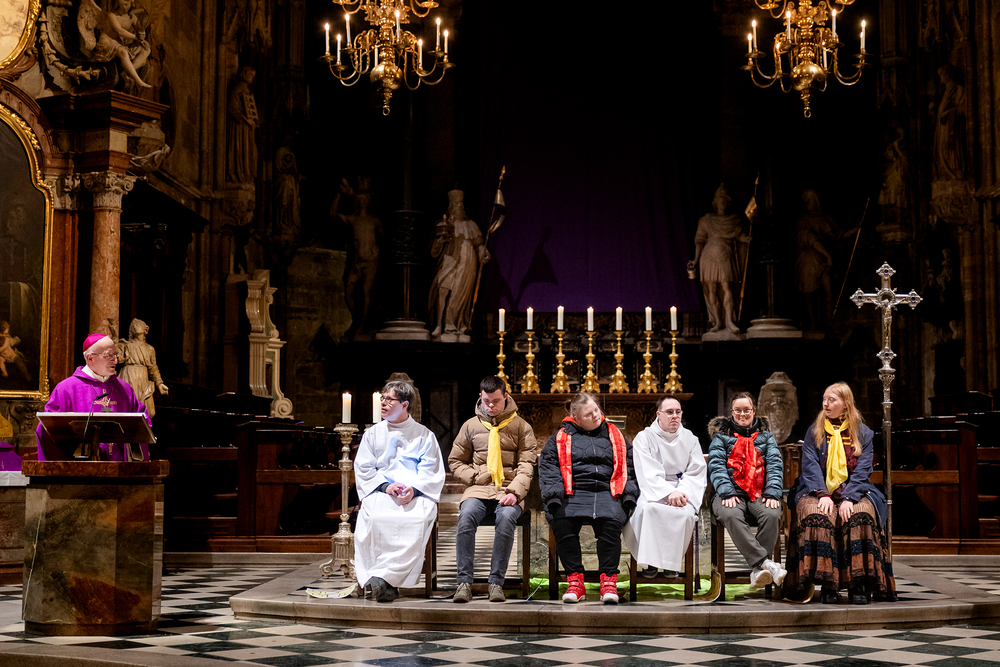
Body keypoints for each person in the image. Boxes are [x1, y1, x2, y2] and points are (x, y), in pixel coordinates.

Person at [786, 382, 896, 604]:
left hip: (855, 489)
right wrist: (823, 494)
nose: (826, 404)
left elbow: (863, 470)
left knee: (860, 515)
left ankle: (858, 584)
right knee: (818, 515)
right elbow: (810, 466)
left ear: (846, 403)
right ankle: (828, 585)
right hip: (817, 489)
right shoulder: (814, 431)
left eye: (832, 400)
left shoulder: (863, 433)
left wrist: (849, 498)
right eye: (824, 399)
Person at [539, 393, 639, 604]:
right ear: (576, 418)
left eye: (596, 410)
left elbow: (630, 466)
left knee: (611, 523)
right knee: (562, 521)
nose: (595, 415)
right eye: (588, 414)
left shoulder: (615, 434)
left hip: (607, 492)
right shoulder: (560, 437)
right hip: (573, 492)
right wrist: (554, 496)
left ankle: (609, 582)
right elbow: (549, 468)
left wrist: (629, 494)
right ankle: (575, 582)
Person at [354, 380, 445, 602]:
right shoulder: (373, 434)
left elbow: (431, 469)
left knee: (416, 519)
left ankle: (382, 579)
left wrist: (414, 489)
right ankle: (386, 582)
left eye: (389, 399)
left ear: (404, 404)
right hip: (382, 491)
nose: (383, 403)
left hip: (414, 494)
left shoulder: (424, 435)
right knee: (373, 517)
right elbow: (364, 467)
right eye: (382, 398)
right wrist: (386, 486)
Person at [448, 376, 537, 603]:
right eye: (486, 401)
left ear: (505, 396)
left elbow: (527, 465)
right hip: (479, 489)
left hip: (509, 489)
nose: (490, 406)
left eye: (496, 401)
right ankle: (463, 583)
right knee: (466, 517)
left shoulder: (522, 427)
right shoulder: (470, 426)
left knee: (506, 518)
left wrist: (515, 492)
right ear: (480, 397)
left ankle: (496, 583)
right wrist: (474, 477)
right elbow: (455, 461)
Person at [708, 392, 785, 588]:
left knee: (772, 513)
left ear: (754, 411)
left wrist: (772, 492)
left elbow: (775, 465)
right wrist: (727, 491)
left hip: (759, 492)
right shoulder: (721, 437)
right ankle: (764, 563)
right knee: (729, 513)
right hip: (729, 492)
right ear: (731, 412)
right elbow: (716, 466)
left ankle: (758, 570)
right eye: (738, 410)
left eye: (746, 410)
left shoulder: (766, 437)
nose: (742, 414)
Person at [623, 396, 706, 578]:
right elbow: (647, 471)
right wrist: (668, 493)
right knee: (647, 510)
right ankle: (650, 564)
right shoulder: (644, 438)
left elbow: (696, 471)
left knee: (685, 515)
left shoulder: (690, 439)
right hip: (653, 490)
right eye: (669, 412)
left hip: (683, 491)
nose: (674, 416)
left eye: (678, 412)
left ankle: (671, 563)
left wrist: (681, 492)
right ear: (658, 414)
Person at [35, 333, 151, 462]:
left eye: (115, 355)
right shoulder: (66, 389)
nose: (115, 361)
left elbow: (143, 425)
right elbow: (47, 430)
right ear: (90, 358)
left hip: (120, 468)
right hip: (80, 469)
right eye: (108, 355)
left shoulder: (124, 389)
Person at [428, 189, 489, 342]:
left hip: (468, 261)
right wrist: (440, 241)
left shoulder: (471, 225)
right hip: (449, 259)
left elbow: (479, 244)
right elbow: (433, 250)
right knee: (442, 288)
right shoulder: (443, 224)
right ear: (450, 207)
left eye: (461, 204)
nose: (459, 206)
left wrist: (483, 252)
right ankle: (438, 324)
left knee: (460, 294)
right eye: (456, 204)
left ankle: (454, 325)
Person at [687, 184, 749, 335]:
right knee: (711, 290)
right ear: (714, 202)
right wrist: (695, 260)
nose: (722, 202)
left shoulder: (733, 220)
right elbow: (699, 241)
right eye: (720, 199)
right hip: (708, 257)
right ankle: (718, 321)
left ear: (728, 203)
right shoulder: (706, 220)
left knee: (727, 287)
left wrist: (746, 238)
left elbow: (739, 235)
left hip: (725, 256)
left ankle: (729, 320)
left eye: (725, 200)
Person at [115, 318, 169, 418]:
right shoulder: (126, 345)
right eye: (132, 326)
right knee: (126, 408)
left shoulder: (149, 349)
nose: (135, 326)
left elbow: (153, 368)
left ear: (145, 329)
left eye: (137, 324)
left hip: (142, 378)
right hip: (128, 375)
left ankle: (140, 427)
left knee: (149, 411)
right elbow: (118, 358)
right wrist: (115, 338)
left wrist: (159, 383)